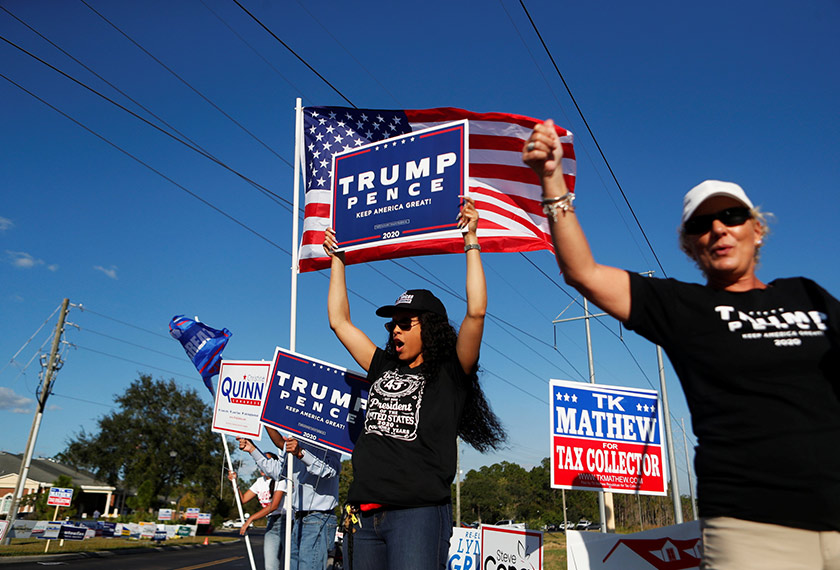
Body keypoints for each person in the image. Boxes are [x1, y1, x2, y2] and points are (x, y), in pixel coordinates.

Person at [523, 120, 840, 569]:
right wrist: (551, 180)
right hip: (753, 530)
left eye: (731, 216)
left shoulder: (808, 294)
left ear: (757, 229)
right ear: (690, 245)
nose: (718, 229)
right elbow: (584, 274)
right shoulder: (683, 306)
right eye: (701, 224)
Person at [323, 197, 506, 570]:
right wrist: (338, 260)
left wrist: (471, 239)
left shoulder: (452, 372)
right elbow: (339, 322)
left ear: (431, 328)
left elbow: (476, 311)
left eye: (406, 323)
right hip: (363, 517)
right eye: (393, 324)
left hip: (418, 516)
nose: (396, 330)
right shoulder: (382, 364)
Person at [238, 428, 340, 570]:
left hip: (318, 517)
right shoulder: (294, 440)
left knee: (308, 567)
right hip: (297, 518)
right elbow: (279, 472)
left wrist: (301, 453)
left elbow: (331, 470)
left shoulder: (328, 436)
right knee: (292, 566)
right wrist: (252, 449)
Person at [227, 451, 287, 570]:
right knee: (270, 566)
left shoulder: (281, 479)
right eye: (260, 462)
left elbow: (273, 506)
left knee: (291, 562)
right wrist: (235, 483)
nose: (261, 465)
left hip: (287, 522)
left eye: (266, 461)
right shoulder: (259, 482)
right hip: (271, 523)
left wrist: (251, 519)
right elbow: (242, 499)